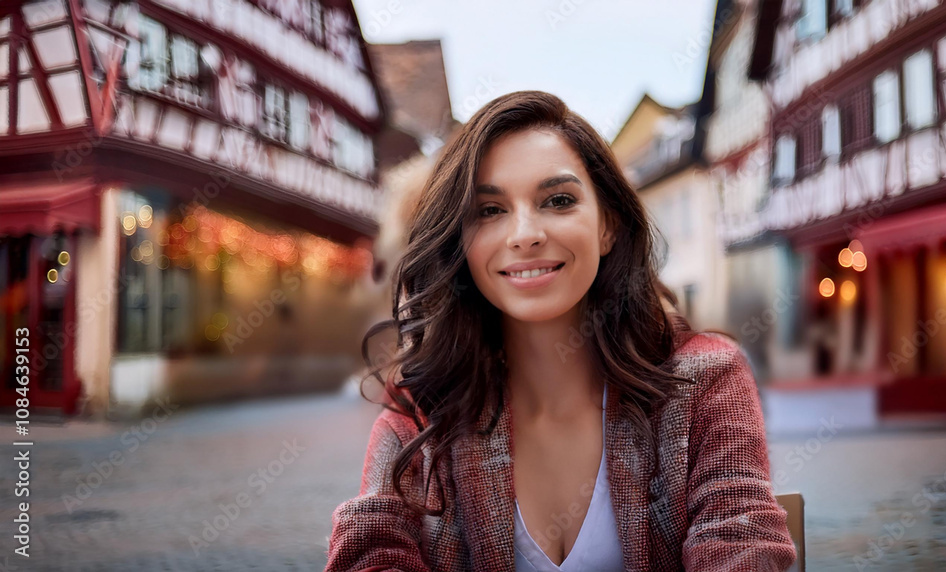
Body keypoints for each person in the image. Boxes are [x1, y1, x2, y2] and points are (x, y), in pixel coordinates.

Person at [324, 91, 796, 572]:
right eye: (489, 210)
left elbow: (741, 542)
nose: (524, 234)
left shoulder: (705, 379)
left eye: (558, 200)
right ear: (460, 242)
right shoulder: (420, 412)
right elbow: (371, 550)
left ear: (608, 224)